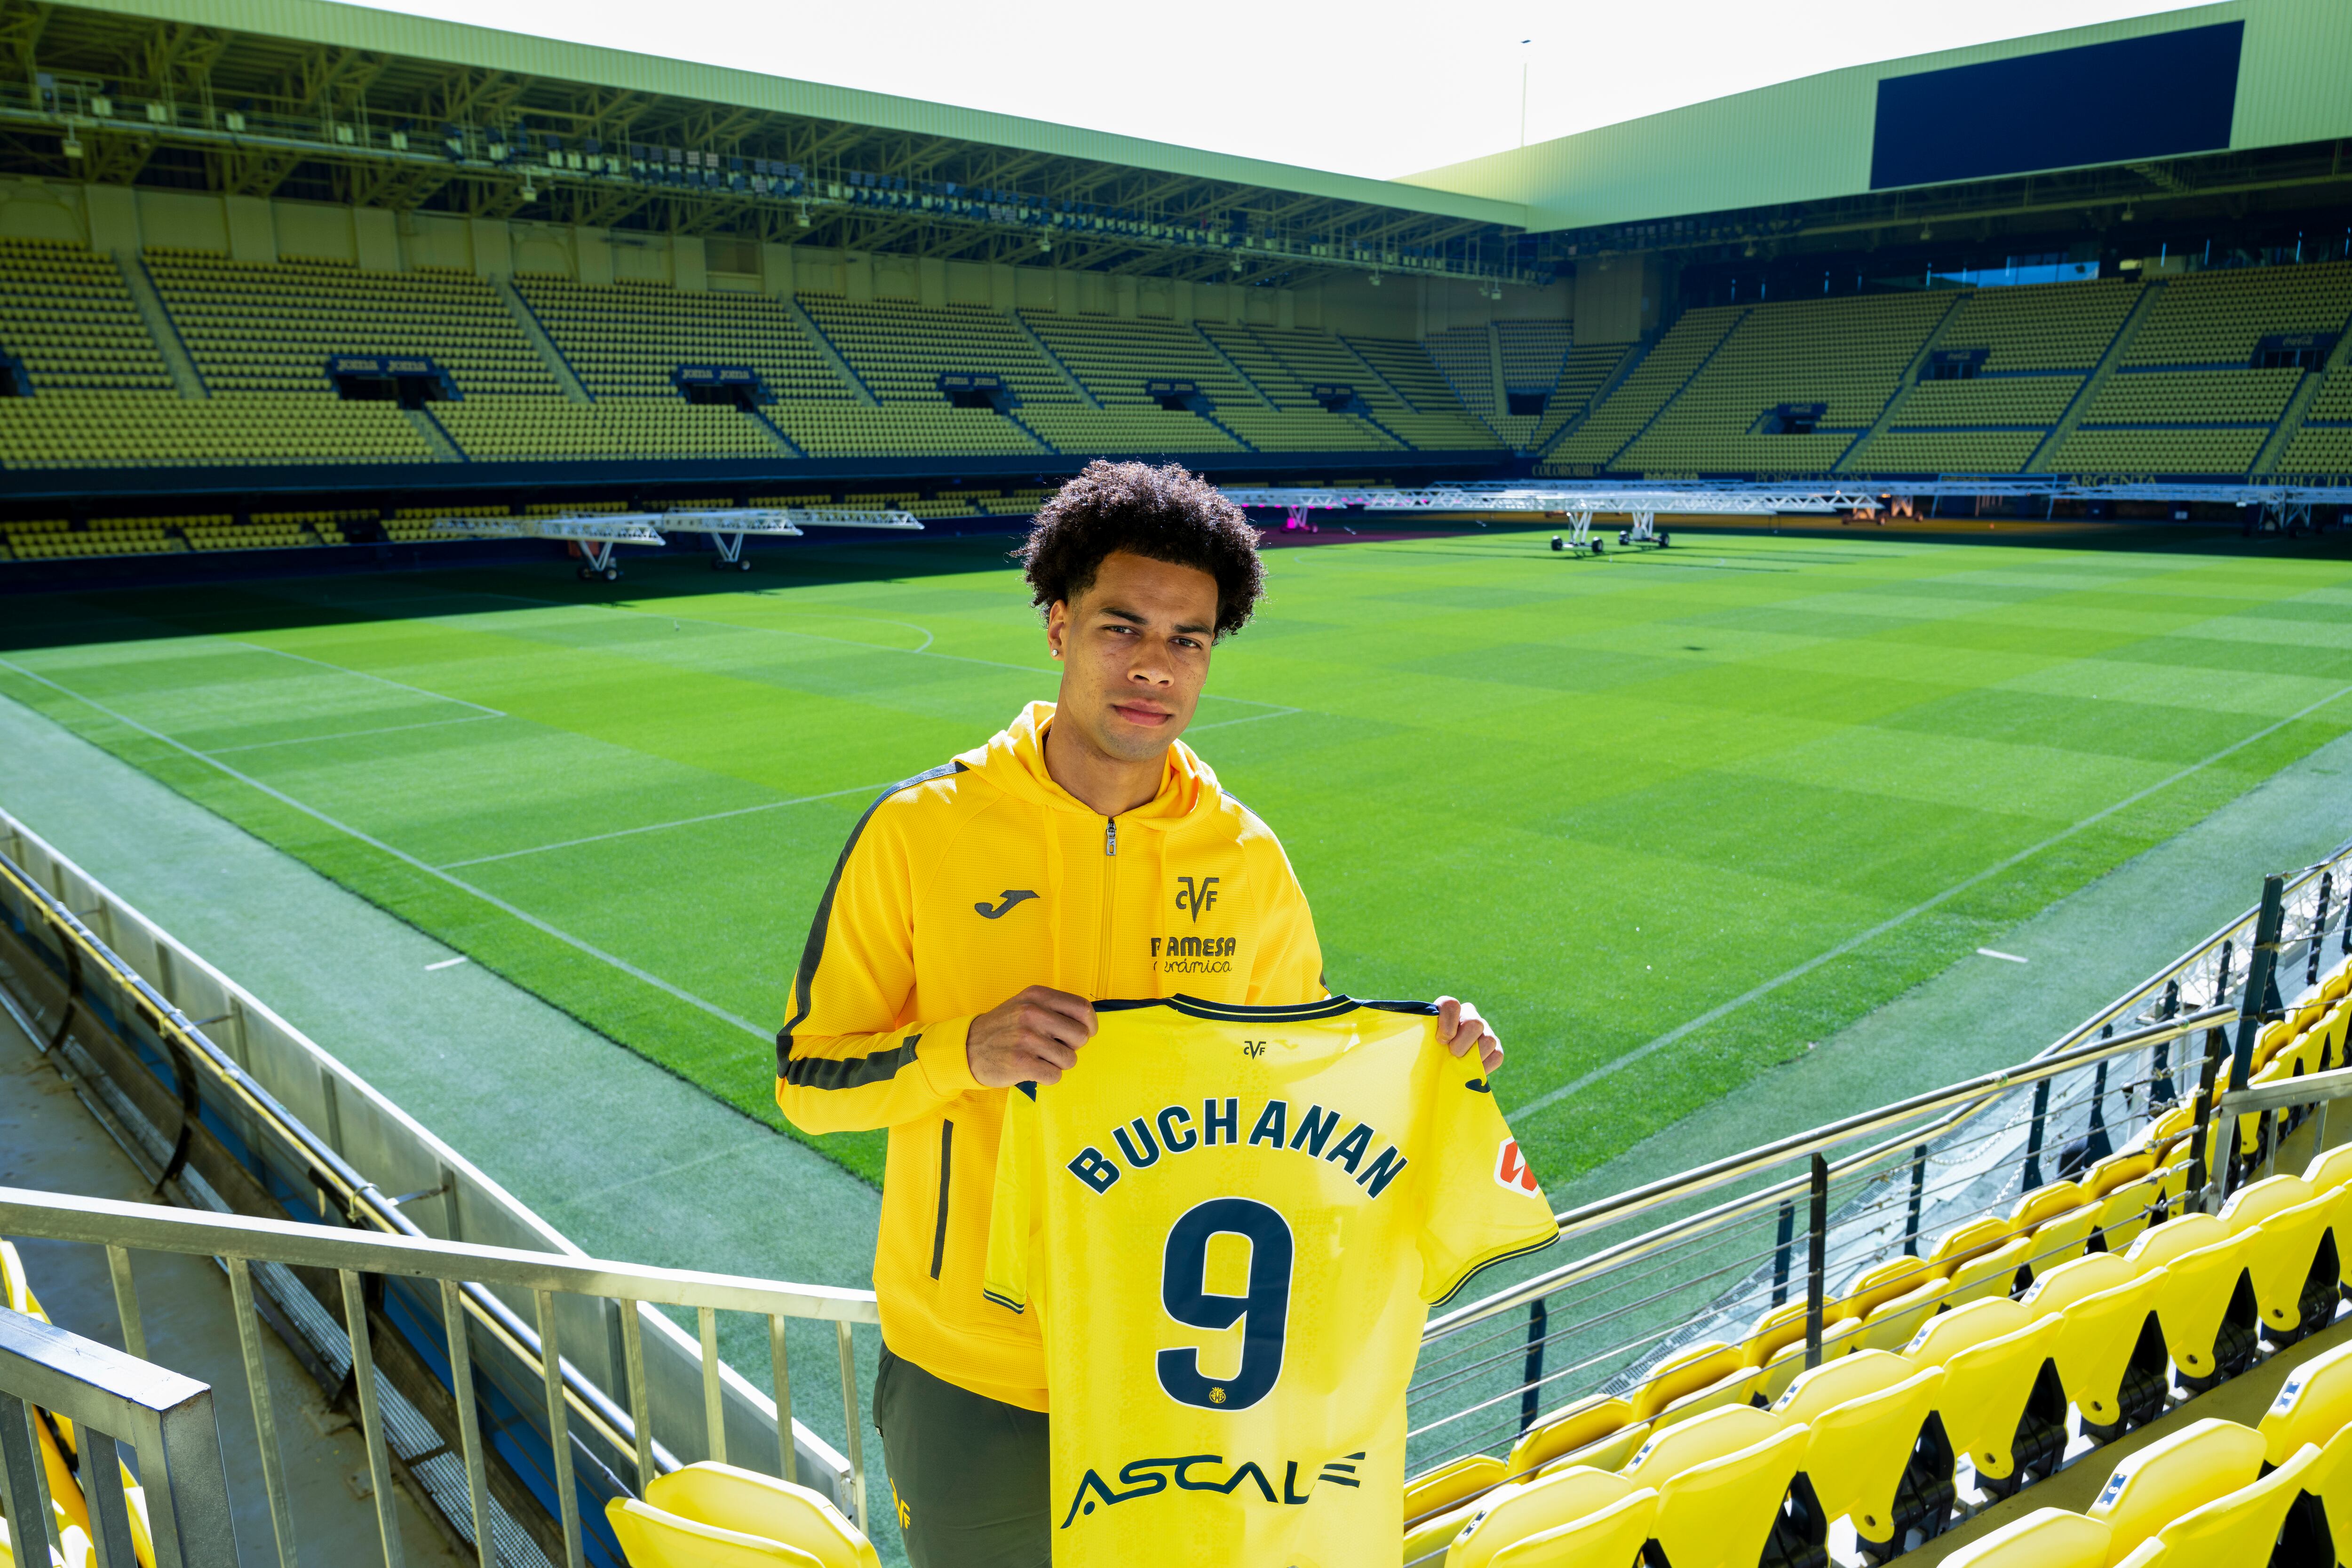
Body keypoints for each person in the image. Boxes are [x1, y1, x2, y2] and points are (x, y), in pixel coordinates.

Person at [774, 460, 1505, 1568]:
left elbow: (1286, 1100)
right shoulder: (920, 830)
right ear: (1059, 625)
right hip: (975, 1366)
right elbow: (807, 1079)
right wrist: (962, 1051)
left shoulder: (1247, 858)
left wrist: (1426, 1065)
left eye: (1188, 640)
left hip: (1184, 1363)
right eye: (1124, 627)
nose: (1154, 667)